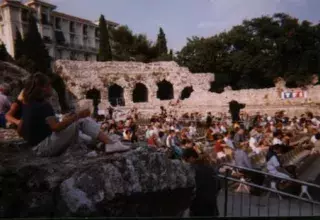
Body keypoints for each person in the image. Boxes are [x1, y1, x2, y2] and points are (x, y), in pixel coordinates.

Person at [20, 73, 131, 157]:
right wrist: (77, 116)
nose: (51, 87)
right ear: (43, 88)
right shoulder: (43, 105)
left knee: (78, 128)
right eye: (49, 85)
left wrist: (67, 118)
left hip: (37, 147)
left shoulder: (28, 103)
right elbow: (55, 127)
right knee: (81, 121)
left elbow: (22, 128)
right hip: (43, 148)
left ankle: (101, 143)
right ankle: (110, 143)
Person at [182, 148, 220, 217]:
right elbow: (219, 185)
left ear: (191, 158)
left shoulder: (192, 170)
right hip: (212, 207)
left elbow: (189, 189)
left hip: (198, 208)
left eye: (185, 160)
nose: (185, 163)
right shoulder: (209, 168)